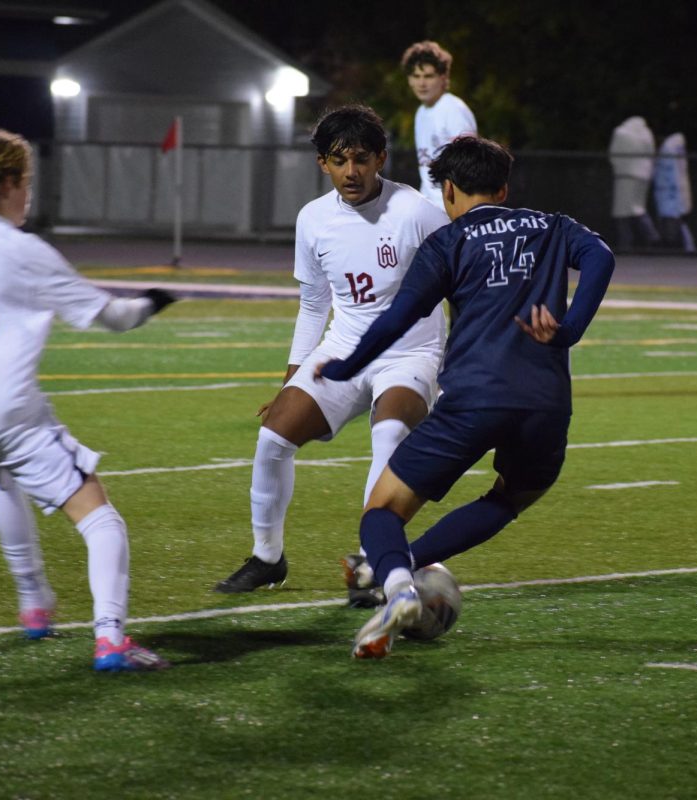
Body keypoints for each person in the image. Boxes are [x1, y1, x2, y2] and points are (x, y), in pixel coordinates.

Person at [317, 135, 615, 659]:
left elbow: (397, 317)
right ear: (503, 188)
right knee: (510, 497)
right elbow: (602, 258)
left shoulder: (448, 242)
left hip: (474, 397)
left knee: (381, 511)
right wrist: (567, 330)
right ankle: (396, 565)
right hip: (546, 403)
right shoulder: (553, 226)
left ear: (447, 189)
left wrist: (348, 364)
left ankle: (397, 584)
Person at [0, 126, 176, 672]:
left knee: (1, 474)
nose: (30, 191)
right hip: (5, 413)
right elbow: (113, 317)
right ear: (8, 182)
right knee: (102, 521)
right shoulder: (21, 249)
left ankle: (34, 605)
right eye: (27, 180)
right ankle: (111, 641)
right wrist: (156, 299)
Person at [213, 105, 450, 607]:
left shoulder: (416, 212)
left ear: (381, 158)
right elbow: (315, 302)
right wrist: (293, 377)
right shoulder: (314, 219)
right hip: (344, 348)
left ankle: (372, 562)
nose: (351, 171)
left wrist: (456, 362)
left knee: (389, 435)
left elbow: (460, 287)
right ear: (322, 163)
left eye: (361, 159)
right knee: (273, 436)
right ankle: (267, 557)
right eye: (338, 160)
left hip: (409, 353)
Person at [401, 40, 477, 207]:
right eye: (416, 76)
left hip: (454, 211)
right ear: (409, 80)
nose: (421, 83)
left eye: (428, 76)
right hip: (431, 208)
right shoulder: (421, 112)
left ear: (443, 78)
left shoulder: (453, 109)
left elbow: (470, 165)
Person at [608, 116, 659, 251]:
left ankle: (626, 243)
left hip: (625, 176)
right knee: (639, 209)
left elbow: (614, 154)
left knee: (622, 212)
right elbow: (652, 154)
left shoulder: (621, 132)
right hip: (643, 177)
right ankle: (651, 237)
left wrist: (619, 168)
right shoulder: (647, 134)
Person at [653, 131, 696, 252]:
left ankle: (682, 248)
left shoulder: (668, 151)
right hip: (675, 195)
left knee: (674, 223)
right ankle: (688, 247)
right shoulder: (675, 150)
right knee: (678, 222)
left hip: (670, 195)